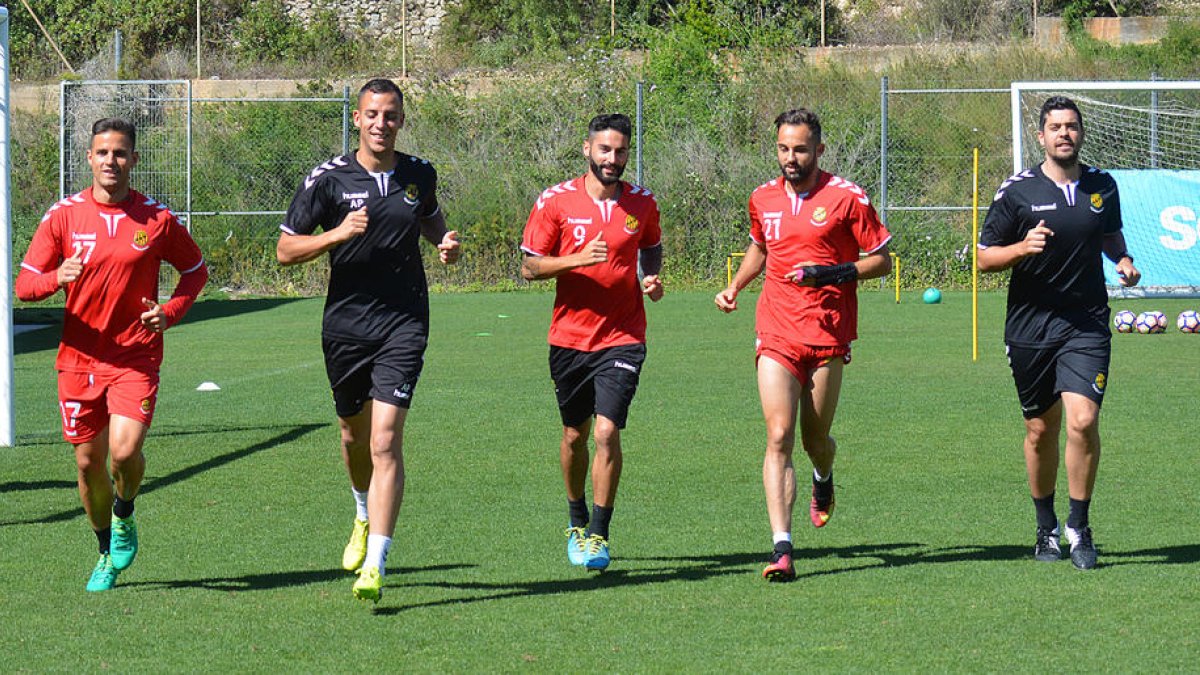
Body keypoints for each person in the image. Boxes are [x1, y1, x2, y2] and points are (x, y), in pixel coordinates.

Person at [277, 78, 460, 603]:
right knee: (353, 438)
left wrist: (443, 242)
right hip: (346, 326)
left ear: (402, 120)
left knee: (385, 441)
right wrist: (335, 234)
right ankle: (361, 513)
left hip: (404, 321)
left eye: (392, 115)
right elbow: (285, 251)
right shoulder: (327, 181)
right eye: (373, 114)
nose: (382, 123)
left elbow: (429, 216)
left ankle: (376, 560)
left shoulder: (418, 173)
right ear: (356, 119)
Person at [16, 117, 209, 592]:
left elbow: (196, 271)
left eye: (120, 153)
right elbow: (24, 286)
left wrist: (170, 311)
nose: (111, 161)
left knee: (124, 453)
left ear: (134, 161)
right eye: (102, 153)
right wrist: (54, 279)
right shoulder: (62, 216)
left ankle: (125, 513)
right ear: (89, 158)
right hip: (78, 360)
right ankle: (105, 549)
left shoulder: (157, 219)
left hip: (134, 357)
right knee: (88, 464)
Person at [715, 108, 892, 582]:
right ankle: (782, 548)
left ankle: (824, 476)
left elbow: (881, 261)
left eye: (799, 149)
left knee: (816, 441)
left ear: (818, 149)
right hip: (776, 330)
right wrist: (735, 286)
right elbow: (760, 245)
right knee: (778, 436)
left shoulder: (846, 197)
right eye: (782, 148)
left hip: (828, 332)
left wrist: (832, 273)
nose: (789, 158)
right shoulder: (763, 198)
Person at [978, 96, 1139, 570]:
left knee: (1084, 420)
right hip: (1030, 326)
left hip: (1086, 323)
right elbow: (984, 257)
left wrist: (1124, 262)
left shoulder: (1102, 186)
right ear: (1042, 135)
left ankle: (1079, 527)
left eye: (1071, 126)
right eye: (1055, 127)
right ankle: (1045, 528)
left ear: (1081, 132)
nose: (1064, 133)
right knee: (1039, 428)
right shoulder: (1018, 191)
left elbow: (1110, 235)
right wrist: (1021, 248)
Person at [520, 113, 663, 571]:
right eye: (605, 150)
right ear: (587, 149)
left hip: (623, 337)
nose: (613, 159)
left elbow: (651, 245)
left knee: (606, 431)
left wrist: (651, 276)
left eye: (620, 151)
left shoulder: (642, 202)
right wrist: (578, 259)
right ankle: (576, 517)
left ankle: (599, 534)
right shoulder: (555, 201)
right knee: (574, 434)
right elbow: (530, 267)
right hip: (569, 338)